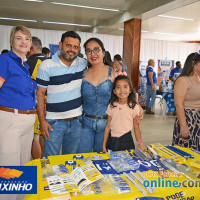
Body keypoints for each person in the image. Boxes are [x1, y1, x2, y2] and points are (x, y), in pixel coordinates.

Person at [36, 31, 87, 157]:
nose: (72, 50)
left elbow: (99, 65)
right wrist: (42, 121)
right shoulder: (46, 65)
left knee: (70, 160)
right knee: (50, 161)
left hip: (76, 122)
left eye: (75, 47)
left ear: (79, 49)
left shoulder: (82, 63)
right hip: (54, 123)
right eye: (68, 45)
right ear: (60, 45)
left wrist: (114, 65)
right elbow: (40, 95)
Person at [0, 25, 36, 167]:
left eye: (27, 39)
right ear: (11, 41)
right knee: (10, 167)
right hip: (11, 120)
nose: (23, 41)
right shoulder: (4, 60)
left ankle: (24, 190)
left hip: (28, 122)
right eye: (18, 38)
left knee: (24, 165)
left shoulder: (25, 67)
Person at [102, 75, 145, 152]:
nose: (122, 90)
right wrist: (104, 145)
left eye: (125, 87)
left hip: (127, 141)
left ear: (130, 90)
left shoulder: (134, 107)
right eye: (118, 87)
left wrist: (140, 142)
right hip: (112, 141)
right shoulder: (111, 106)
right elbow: (108, 127)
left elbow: (136, 127)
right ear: (114, 91)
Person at [172, 53, 200, 150]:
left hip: (198, 119)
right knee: (187, 151)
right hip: (189, 119)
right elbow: (178, 104)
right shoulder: (183, 80)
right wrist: (183, 125)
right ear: (193, 63)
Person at [26, 36, 47, 159]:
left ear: (31, 48)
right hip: (50, 106)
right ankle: (44, 161)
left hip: (35, 106)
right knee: (44, 135)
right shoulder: (50, 62)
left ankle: (38, 164)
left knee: (35, 137)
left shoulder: (28, 64)